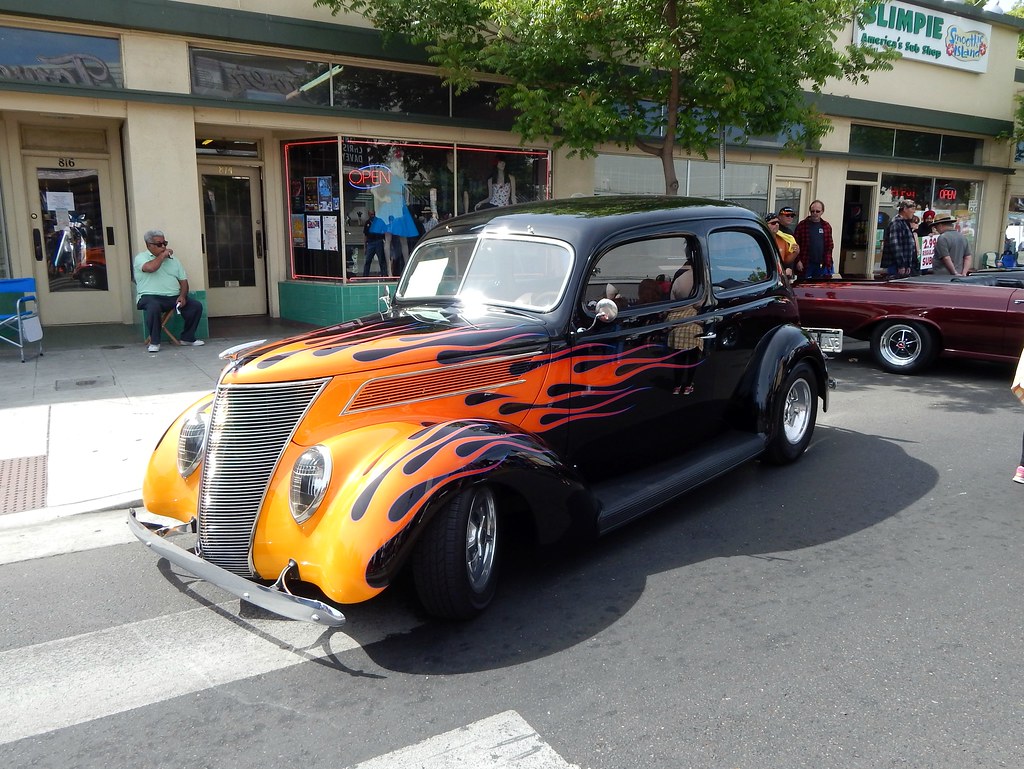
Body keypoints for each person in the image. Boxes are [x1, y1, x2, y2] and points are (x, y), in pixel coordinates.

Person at [134, 229, 204, 353]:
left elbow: (183, 281)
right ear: (149, 245)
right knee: (153, 306)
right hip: (149, 297)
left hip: (172, 297)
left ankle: (187, 338)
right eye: (159, 244)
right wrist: (162, 256)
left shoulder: (174, 260)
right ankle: (155, 342)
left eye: (165, 243)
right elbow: (150, 268)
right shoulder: (141, 258)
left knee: (195, 306)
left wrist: (182, 295)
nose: (163, 247)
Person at [794, 200, 834, 280]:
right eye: (812, 211)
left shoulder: (826, 226)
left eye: (817, 211)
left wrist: (828, 264)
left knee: (820, 290)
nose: (815, 213)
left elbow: (829, 246)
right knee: (803, 288)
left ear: (822, 211)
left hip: (821, 265)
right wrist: (798, 261)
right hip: (806, 264)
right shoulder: (802, 225)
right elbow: (794, 245)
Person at [881, 200, 919, 278]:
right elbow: (895, 245)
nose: (914, 212)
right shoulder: (896, 223)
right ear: (905, 209)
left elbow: (908, 245)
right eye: (912, 209)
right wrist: (901, 265)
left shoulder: (905, 223)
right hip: (896, 265)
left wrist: (908, 265)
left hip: (904, 265)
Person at [764, 212, 800, 282]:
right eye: (773, 223)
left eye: (778, 222)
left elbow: (786, 261)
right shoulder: (762, 239)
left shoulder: (782, 239)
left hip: (780, 278)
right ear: (766, 225)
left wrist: (795, 253)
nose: (777, 225)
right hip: (766, 277)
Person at [361, 209, 388, 277]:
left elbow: (385, 231)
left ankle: (384, 275)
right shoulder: (367, 223)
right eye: (371, 214)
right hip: (370, 243)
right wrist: (365, 246)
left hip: (379, 242)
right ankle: (365, 276)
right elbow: (365, 235)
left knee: (381, 260)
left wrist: (386, 242)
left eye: (373, 214)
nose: (372, 216)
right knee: (368, 260)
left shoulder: (379, 221)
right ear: (368, 215)